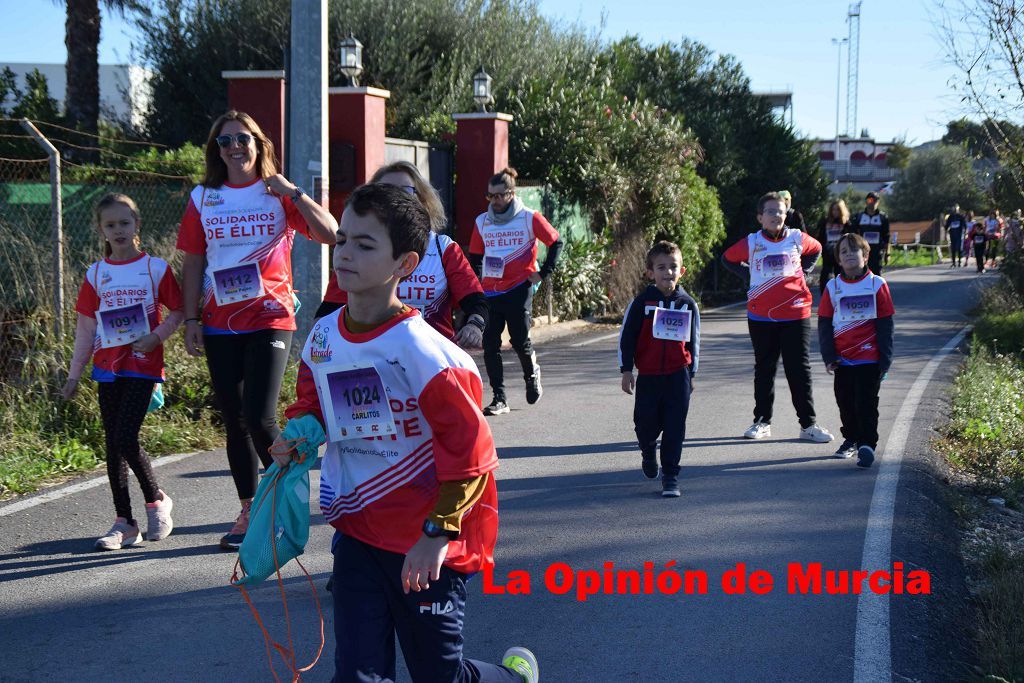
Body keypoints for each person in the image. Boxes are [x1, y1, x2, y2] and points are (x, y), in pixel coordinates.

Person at [275, 183, 538, 683]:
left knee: (439, 677)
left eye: (365, 245)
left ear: (405, 264)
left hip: (426, 541)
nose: (345, 253)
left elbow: (472, 455)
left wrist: (436, 534)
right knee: (358, 677)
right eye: (343, 239)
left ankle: (513, 678)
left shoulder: (427, 354)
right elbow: (313, 404)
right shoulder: (324, 336)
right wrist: (298, 436)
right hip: (357, 534)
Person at [175, 110, 338, 551]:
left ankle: (282, 498)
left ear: (258, 143)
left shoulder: (276, 194)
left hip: (271, 316)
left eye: (242, 139)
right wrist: (190, 320)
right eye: (224, 141)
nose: (234, 148)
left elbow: (330, 234)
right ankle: (250, 509)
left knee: (260, 415)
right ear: (216, 151)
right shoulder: (203, 198)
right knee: (234, 420)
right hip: (219, 322)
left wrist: (294, 192)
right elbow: (193, 262)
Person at [62, 193, 182, 549]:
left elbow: (176, 311)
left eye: (124, 223)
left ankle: (156, 501)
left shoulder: (155, 268)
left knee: (126, 437)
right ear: (101, 230)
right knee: (113, 445)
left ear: (137, 225)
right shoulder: (96, 274)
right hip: (107, 368)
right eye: (110, 225)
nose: (118, 230)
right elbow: (85, 328)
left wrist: (156, 336)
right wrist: (73, 375)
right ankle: (124, 522)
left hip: (143, 365)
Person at [315, 160, 488, 347]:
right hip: (373, 356)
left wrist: (474, 325)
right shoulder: (354, 251)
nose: (394, 198)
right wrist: (318, 351)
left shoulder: (442, 247)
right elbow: (328, 314)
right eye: (385, 190)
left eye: (405, 191)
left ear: (422, 199)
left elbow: (475, 301)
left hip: (431, 355)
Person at [722, 192, 834, 443]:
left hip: (796, 313)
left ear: (787, 215)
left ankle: (808, 425)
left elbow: (816, 249)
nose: (776, 215)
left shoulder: (796, 237)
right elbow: (727, 258)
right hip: (761, 316)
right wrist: (749, 277)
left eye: (781, 211)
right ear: (760, 217)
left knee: (799, 370)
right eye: (770, 211)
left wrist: (805, 271)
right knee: (764, 369)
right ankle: (762, 421)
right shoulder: (752, 242)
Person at [468, 167, 563, 416]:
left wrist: (543, 273)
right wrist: (477, 283)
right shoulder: (482, 222)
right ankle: (499, 397)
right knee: (490, 344)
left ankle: (532, 375)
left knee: (519, 340)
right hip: (490, 291)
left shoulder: (529, 217)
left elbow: (555, 242)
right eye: (490, 196)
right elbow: (476, 257)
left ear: (511, 193)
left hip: (519, 287)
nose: (494, 200)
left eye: (499, 195)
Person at [618, 241, 700, 498]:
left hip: (678, 376)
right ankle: (647, 450)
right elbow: (627, 337)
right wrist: (626, 370)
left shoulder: (688, 303)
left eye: (673, 267)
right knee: (644, 425)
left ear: (682, 271)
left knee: (675, 427)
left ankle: (671, 477)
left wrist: (692, 373)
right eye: (661, 267)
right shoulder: (642, 302)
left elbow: (694, 341)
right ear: (650, 272)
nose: (668, 272)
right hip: (649, 376)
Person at [818, 233, 894, 468]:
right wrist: (829, 356)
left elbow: (885, 323)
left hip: (870, 359)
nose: (849, 254)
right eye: (843, 251)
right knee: (846, 403)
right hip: (843, 360)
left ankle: (867, 445)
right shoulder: (832, 286)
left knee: (867, 403)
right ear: (838, 260)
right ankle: (850, 438)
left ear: (866, 255)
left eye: (854, 250)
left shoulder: (877, 284)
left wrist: (885, 358)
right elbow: (824, 323)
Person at [816, 199, 852, 293]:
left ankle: (842, 293)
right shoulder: (825, 222)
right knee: (825, 275)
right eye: (833, 209)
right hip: (828, 253)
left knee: (840, 274)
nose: (835, 212)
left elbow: (851, 238)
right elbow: (820, 237)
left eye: (837, 210)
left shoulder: (846, 223)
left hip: (841, 254)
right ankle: (824, 294)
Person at [853, 191, 890, 275]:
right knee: (862, 273)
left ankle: (876, 288)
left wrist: (887, 254)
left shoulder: (883, 217)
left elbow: (886, 236)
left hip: (877, 252)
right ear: (866, 201)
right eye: (870, 200)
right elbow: (854, 235)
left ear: (878, 202)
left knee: (876, 274)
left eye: (875, 200)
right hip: (862, 251)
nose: (872, 203)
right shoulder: (859, 217)